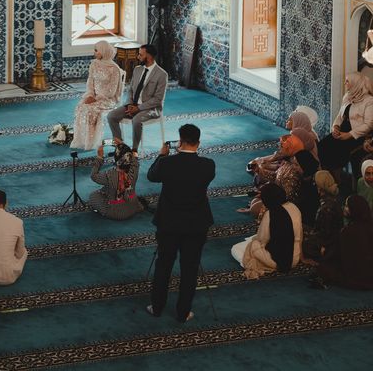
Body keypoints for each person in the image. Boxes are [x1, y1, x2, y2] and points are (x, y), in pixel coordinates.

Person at [145, 123, 215, 323]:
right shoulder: (208, 165)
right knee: (190, 268)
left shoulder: (167, 164)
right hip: (196, 225)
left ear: (180, 141)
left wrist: (162, 155)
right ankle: (183, 312)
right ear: (198, 143)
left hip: (169, 223)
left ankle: (157, 307)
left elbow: (152, 176)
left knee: (164, 265)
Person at [231, 182, 302, 279]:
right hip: (294, 258)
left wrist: (254, 242)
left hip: (275, 260)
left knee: (237, 248)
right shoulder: (295, 207)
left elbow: (262, 240)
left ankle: (257, 264)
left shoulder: (271, 214)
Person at [107, 44, 168, 150]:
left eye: (140, 55)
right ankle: (120, 147)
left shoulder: (162, 74)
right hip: (133, 105)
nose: (138, 57)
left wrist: (138, 108)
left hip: (151, 108)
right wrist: (130, 104)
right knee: (111, 116)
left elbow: (158, 100)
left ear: (148, 56)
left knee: (136, 120)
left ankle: (134, 150)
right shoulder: (137, 69)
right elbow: (130, 90)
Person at [71, 41, 123, 151]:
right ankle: (81, 140)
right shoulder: (94, 64)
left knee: (91, 111)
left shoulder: (114, 69)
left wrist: (96, 99)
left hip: (107, 100)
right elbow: (90, 82)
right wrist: (90, 95)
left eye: (96, 50)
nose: (94, 52)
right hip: (93, 96)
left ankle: (91, 142)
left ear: (103, 51)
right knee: (80, 107)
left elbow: (112, 91)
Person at [318, 72, 373, 176]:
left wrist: (349, 135)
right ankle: (327, 175)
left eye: (347, 81)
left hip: (357, 135)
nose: (344, 83)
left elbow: (369, 125)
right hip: (342, 130)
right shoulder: (347, 96)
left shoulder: (369, 101)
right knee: (322, 146)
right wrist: (335, 127)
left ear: (355, 83)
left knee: (337, 152)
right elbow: (340, 115)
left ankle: (336, 178)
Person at [315, 194, 373, 290]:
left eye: (346, 206)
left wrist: (325, 252)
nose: (344, 208)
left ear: (354, 210)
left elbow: (335, 255)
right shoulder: (369, 227)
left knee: (323, 268)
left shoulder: (347, 232)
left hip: (355, 277)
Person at [88, 141, 143, 220]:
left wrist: (99, 157)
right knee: (108, 189)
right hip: (133, 206)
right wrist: (123, 145)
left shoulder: (109, 175)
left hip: (116, 213)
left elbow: (93, 176)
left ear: (115, 158)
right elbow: (132, 157)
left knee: (93, 196)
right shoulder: (135, 168)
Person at [302, 170, 344, 262]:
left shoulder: (325, 208)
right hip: (335, 239)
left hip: (328, 244)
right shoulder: (337, 198)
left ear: (319, 187)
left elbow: (324, 234)